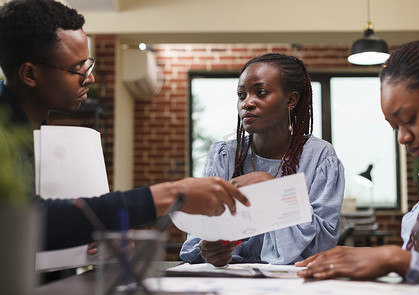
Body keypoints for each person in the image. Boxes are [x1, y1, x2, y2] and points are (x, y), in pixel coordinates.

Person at [0, 0, 250, 252]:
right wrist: (172, 194)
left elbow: (58, 225)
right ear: (30, 74)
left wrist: (102, 232)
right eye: (77, 69)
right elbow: (26, 221)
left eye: (88, 64)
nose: (91, 78)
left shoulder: (41, 134)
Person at [295, 40, 419, 295]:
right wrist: (375, 257)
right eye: (395, 128)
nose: (402, 138)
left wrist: (396, 259)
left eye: (409, 119)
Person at [180, 53, 345, 266]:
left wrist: (273, 190)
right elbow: (199, 234)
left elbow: (322, 243)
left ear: (291, 100)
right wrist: (208, 250)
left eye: (261, 92)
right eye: (241, 95)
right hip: (231, 280)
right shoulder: (225, 155)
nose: (247, 103)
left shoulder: (320, 157)